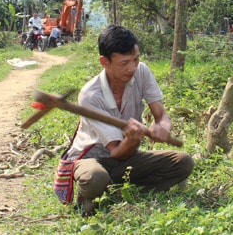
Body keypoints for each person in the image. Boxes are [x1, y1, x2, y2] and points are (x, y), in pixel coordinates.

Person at [65, 25, 194, 216]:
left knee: (183, 162)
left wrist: (162, 125)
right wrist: (133, 139)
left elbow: (160, 114)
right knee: (95, 178)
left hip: (129, 157)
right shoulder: (90, 95)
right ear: (105, 62)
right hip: (94, 158)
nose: (132, 68)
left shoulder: (142, 72)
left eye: (136, 59)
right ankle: (95, 194)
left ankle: (124, 192)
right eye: (124, 63)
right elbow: (116, 151)